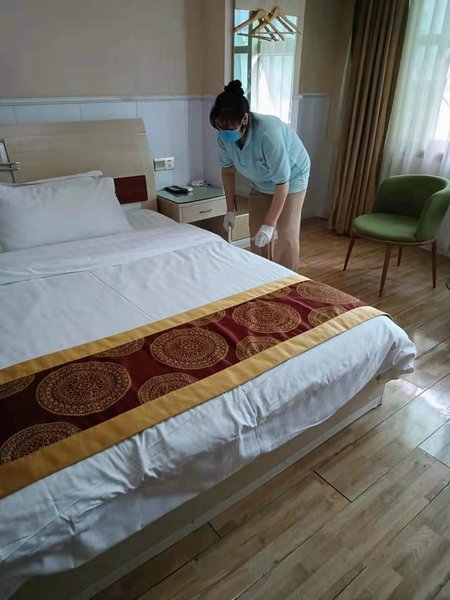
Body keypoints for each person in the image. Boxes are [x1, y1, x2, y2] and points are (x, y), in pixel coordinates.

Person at [210, 80, 310, 272]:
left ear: (245, 119)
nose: (225, 132)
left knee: (286, 233)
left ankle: (287, 282)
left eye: (230, 126)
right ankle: (263, 277)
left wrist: (270, 224)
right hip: (260, 181)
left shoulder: (268, 134)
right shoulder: (224, 137)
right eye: (220, 126)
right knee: (257, 233)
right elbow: (228, 171)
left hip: (292, 178)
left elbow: (282, 183)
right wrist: (230, 209)